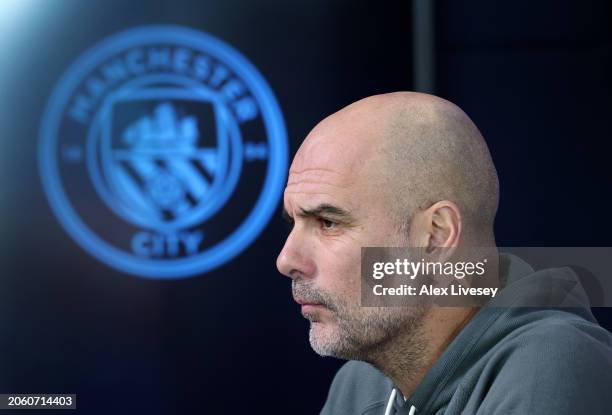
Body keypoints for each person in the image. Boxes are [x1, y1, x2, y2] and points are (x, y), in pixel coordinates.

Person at [276, 92, 612, 414]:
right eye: (294, 221)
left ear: (436, 235)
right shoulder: (362, 384)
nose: (287, 260)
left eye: (328, 222)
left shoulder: (551, 366)